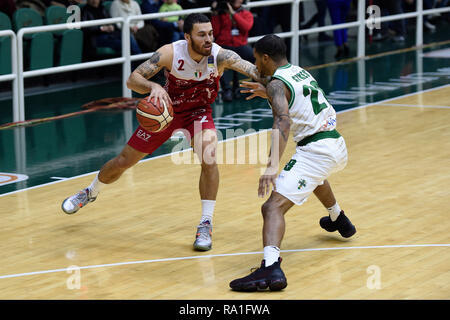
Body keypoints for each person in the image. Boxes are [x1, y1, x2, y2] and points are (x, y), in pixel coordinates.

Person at [61, 13, 266, 252]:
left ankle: (205, 223)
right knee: (123, 161)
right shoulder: (170, 52)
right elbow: (132, 79)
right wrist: (153, 85)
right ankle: (90, 191)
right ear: (187, 37)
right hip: (165, 113)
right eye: (202, 35)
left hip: (198, 112)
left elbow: (256, 71)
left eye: (210, 33)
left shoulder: (221, 55)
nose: (208, 39)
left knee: (209, 158)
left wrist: (269, 85)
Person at [229, 34, 356, 292]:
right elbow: (293, 97)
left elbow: (283, 122)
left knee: (272, 207)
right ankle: (338, 218)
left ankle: (270, 267)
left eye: (256, 60)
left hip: (317, 149)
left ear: (265, 58)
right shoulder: (298, 71)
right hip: (336, 144)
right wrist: (268, 91)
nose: (256, 65)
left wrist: (272, 167)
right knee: (313, 177)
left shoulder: (277, 84)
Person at [211, 0, 254, 102]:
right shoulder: (221, 14)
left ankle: (255, 87)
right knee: (216, 58)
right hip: (224, 45)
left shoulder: (246, 13)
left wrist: (233, 14)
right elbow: (215, 32)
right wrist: (215, 14)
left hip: (240, 46)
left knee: (256, 56)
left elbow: (246, 27)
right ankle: (227, 90)